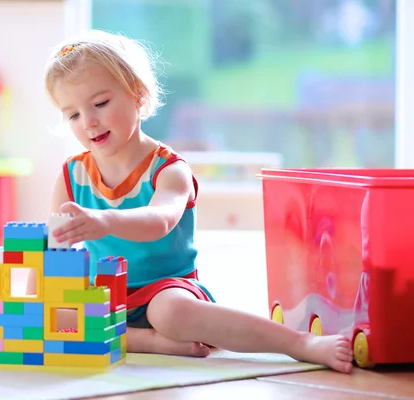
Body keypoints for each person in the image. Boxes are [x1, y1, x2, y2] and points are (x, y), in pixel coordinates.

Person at [29, 29, 354, 374]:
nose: (89, 121)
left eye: (100, 103)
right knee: (43, 313)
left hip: (165, 289)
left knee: (168, 314)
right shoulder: (71, 175)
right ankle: (147, 342)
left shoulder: (169, 169)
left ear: (138, 96)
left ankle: (298, 343)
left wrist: (103, 221)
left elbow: (160, 220)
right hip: (103, 295)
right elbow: (54, 250)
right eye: (73, 115)